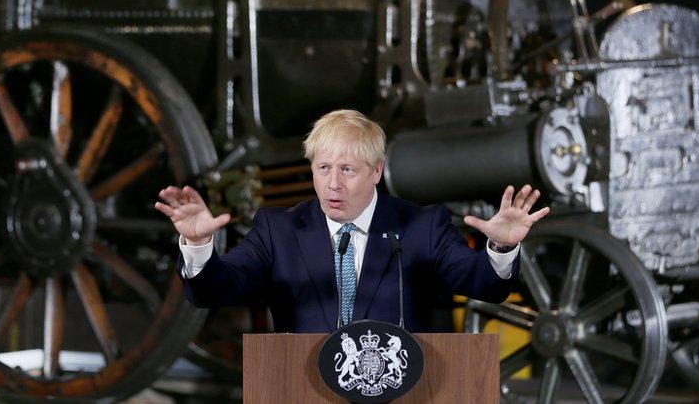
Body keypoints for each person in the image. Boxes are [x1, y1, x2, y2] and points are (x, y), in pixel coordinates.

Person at [155, 109, 550, 332]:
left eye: (347, 170)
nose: (332, 184)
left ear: (376, 172)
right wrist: (198, 247)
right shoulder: (278, 229)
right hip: (302, 387)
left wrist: (500, 248)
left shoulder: (420, 226)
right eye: (322, 168)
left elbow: (484, 283)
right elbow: (212, 291)